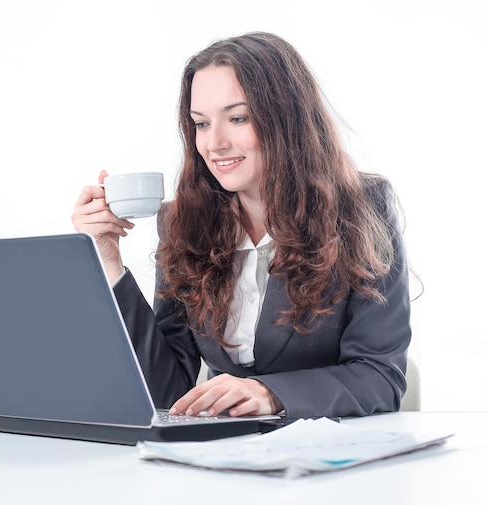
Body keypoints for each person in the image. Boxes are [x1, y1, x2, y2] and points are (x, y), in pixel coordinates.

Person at [72, 31, 411, 420]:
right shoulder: (183, 223)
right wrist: (107, 259)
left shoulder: (362, 208)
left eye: (237, 118)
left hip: (330, 458)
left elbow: (380, 377)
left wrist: (271, 394)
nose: (213, 143)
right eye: (200, 124)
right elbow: (165, 392)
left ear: (287, 119)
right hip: (223, 458)